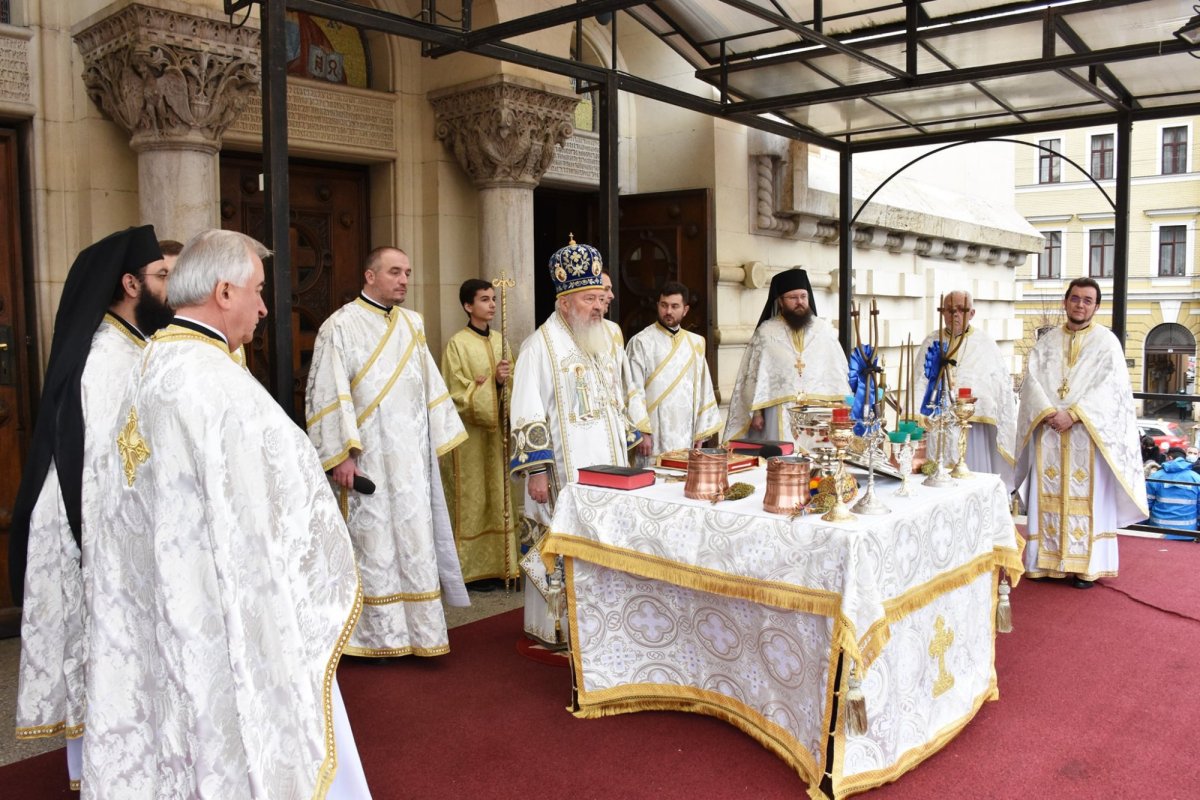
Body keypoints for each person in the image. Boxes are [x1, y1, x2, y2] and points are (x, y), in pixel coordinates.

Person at [88, 229, 370, 798]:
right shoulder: (216, 384)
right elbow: (276, 506)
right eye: (258, 290)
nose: (265, 307)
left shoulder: (149, 361)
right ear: (222, 291)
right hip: (215, 604)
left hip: (162, 591)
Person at [10, 227, 170, 791]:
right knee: (100, 646)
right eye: (162, 278)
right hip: (93, 526)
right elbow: (112, 459)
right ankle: (102, 770)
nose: (171, 290)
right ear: (131, 284)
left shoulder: (135, 345)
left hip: (111, 521)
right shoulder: (106, 355)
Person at [306, 246, 468, 658]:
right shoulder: (338, 326)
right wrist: (341, 453)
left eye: (408, 273)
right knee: (372, 543)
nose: (404, 280)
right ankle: (371, 639)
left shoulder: (412, 324)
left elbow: (429, 384)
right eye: (395, 272)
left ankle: (419, 633)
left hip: (411, 457)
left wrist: (440, 438)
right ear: (370, 276)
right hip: (369, 456)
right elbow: (327, 390)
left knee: (414, 539)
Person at [509, 237, 642, 645]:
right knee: (562, 542)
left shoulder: (604, 340)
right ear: (565, 302)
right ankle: (559, 628)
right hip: (561, 472)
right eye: (590, 299)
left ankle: (602, 622)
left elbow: (617, 397)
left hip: (608, 468)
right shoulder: (539, 347)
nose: (600, 306)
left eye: (601, 297)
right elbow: (526, 408)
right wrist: (535, 471)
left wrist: (632, 440)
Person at [1016, 277, 1147, 588]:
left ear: (1096, 307)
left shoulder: (1107, 343)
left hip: (1087, 436)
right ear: (1066, 302)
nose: (1080, 304)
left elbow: (1111, 388)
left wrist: (1073, 414)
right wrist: (1049, 412)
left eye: (1087, 300)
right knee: (1047, 494)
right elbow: (1031, 380)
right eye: (1075, 298)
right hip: (1048, 431)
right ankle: (1046, 563)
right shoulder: (1046, 342)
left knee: (1086, 499)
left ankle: (1086, 566)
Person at [439, 279, 518, 589]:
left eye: (493, 299)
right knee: (472, 498)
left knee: (499, 494)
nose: (492, 305)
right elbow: (454, 391)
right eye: (484, 300)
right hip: (469, 438)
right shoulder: (457, 344)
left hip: (498, 435)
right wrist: (489, 386)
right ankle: (470, 572)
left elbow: (514, 383)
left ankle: (503, 565)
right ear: (468, 306)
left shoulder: (502, 341)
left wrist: (504, 384)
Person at [723, 268, 850, 442]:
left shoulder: (824, 330)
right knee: (783, 458)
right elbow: (752, 376)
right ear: (781, 301)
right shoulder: (766, 333)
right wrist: (757, 413)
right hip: (779, 410)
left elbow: (838, 373)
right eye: (793, 298)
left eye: (803, 296)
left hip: (819, 411)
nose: (800, 302)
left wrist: (841, 408)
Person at [914, 290, 1018, 490]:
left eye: (961, 309)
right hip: (938, 424)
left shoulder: (984, 343)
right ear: (942, 312)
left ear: (972, 313)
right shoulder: (931, 341)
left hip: (972, 427)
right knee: (937, 480)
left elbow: (998, 386)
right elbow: (919, 381)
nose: (955, 315)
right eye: (950, 310)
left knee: (971, 480)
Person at [626, 281, 721, 464]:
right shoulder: (641, 342)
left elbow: (704, 390)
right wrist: (641, 431)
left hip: (686, 435)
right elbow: (632, 390)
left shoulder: (696, 343)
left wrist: (701, 432)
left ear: (685, 310)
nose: (668, 311)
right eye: (664, 305)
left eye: (674, 306)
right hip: (653, 434)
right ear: (658, 306)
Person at [599, 269, 652, 456]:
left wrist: (641, 427)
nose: (611, 295)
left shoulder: (613, 331)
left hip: (614, 431)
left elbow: (628, 385)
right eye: (606, 289)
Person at [1145, 448, 1200, 531]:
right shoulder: (1196, 478)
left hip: (1158, 530)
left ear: (1170, 458)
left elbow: (1146, 504)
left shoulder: (1156, 476)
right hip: (1187, 532)